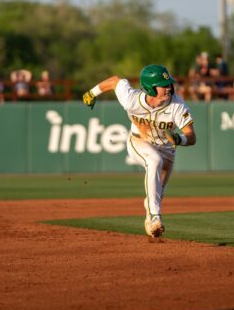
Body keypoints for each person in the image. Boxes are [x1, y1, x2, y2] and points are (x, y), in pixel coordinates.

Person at [82, 65, 196, 238]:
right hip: (138, 141)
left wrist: (179, 139)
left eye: (168, 83)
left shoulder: (177, 105)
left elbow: (192, 136)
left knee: (158, 191)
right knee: (153, 161)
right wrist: (92, 93)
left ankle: (150, 222)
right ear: (150, 88)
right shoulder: (131, 99)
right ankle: (156, 216)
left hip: (167, 151)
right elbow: (114, 81)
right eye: (163, 84)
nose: (168, 87)